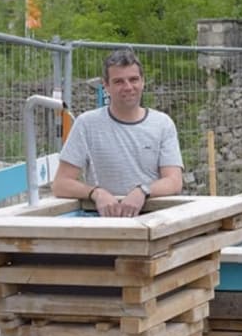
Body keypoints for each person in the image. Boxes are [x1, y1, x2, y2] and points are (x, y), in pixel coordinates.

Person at [52, 49, 183, 217]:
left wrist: (143, 191)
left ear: (143, 82)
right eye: (119, 81)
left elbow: (174, 181)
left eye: (133, 79)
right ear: (106, 86)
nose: (128, 87)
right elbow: (61, 184)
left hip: (155, 218)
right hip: (107, 221)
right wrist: (97, 193)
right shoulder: (87, 124)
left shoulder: (163, 124)